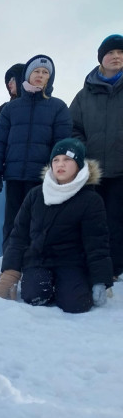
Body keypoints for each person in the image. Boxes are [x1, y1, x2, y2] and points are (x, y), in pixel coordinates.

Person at [0, 138, 112, 313]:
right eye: (56, 160)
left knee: (77, 304)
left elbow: (97, 243)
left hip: (72, 263)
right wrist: (10, 272)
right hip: (38, 260)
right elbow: (19, 235)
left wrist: (100, 280)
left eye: (67, 159)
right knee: (34, 296)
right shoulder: (35, 195)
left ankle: (69, 286)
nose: (60, 164)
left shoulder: (91, 200)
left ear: (79, 164)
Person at [0, 55, 72, 250]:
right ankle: (10, 266)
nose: (40, 75)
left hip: (42, 178)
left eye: (45, 73)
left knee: (38, 224)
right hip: (15, 175)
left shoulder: (58, 107)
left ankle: (34, 267)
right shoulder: (11, 109)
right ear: (27, 74)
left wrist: (58, 174)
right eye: (36, 71)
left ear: (49, 78)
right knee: (12, 223)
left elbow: (61, 144)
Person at [70, 34, 123, 279]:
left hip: (121, 169)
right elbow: (72, 128)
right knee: (93, 221)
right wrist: (85, 150)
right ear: (101, 57)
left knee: (117, 220)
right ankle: (94, 266)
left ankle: (115, 269)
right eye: (111, 53)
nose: (116, 57)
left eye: (121, 53)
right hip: (93, 171)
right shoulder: (84, 95)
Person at [0, 62, 24, 258]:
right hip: (2, 172)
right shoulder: (2, 111)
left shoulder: (41, 108)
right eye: (7, 80)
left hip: (27, 173)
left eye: (14, 78)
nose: (10, 83)